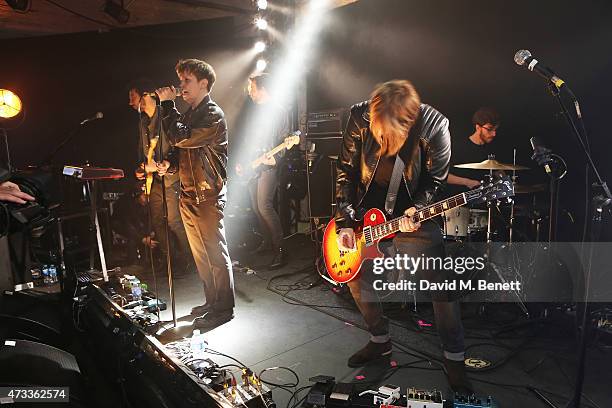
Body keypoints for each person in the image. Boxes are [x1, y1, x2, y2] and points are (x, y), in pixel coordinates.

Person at [334, 80, 471, 392]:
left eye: (387, 133)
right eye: (377, 131)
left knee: (440, 285)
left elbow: (436, 179)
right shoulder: (361, 117)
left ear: (407, 122)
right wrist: (344, 221)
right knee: (355, 276)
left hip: (412, 215)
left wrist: (418, 208)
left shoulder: (435, 125)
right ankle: (379, 340)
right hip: (364, 214)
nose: (380, 138)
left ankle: (454, 358)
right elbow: (346, 171)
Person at [156, 59, 235, 329]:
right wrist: (170, 165)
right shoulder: (189, 113)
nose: (181, 86)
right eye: (180, 80)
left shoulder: (212, 114)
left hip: (208, 194)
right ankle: (212, 301)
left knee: (214, 252)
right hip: (189, 193)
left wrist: (167, 105)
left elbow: (182, 137)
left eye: (186, 80)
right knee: (201, 254)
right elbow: (183, 151)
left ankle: (224, 307)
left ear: (204, 83)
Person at [128, 80, 192, 273]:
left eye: (133, 97)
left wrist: (165, 165)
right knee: (157, 221)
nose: (130, 102)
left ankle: (192, 260)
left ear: (148, 95)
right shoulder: (143, 123)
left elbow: (181, 147)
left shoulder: (166, 118)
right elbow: (144, 153)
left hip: (172, 178)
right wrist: (141, 168)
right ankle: (171, 260)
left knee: (174, 220)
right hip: (154, 180)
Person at [239, 73, 288, 269]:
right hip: (254, 164)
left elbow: (286, 140)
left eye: (252, 88)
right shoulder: (255, 112)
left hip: (270, 165)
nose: (249, 92)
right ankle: (267, 242)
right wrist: (243, 161)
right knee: (255, 206)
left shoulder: (279, 111)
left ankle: (280, 250)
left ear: (263, 89)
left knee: (264, 205)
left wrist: (275, 157)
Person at [446, 107, 501, 193]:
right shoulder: (458, 147)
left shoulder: (491, 149)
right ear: (478, 127)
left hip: (483, 201)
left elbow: (497, 171)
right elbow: (443, 176)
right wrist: (467, 182)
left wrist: (506, 181)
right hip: (459, 200)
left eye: (495, 129)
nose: (494, 134)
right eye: (490, 129)